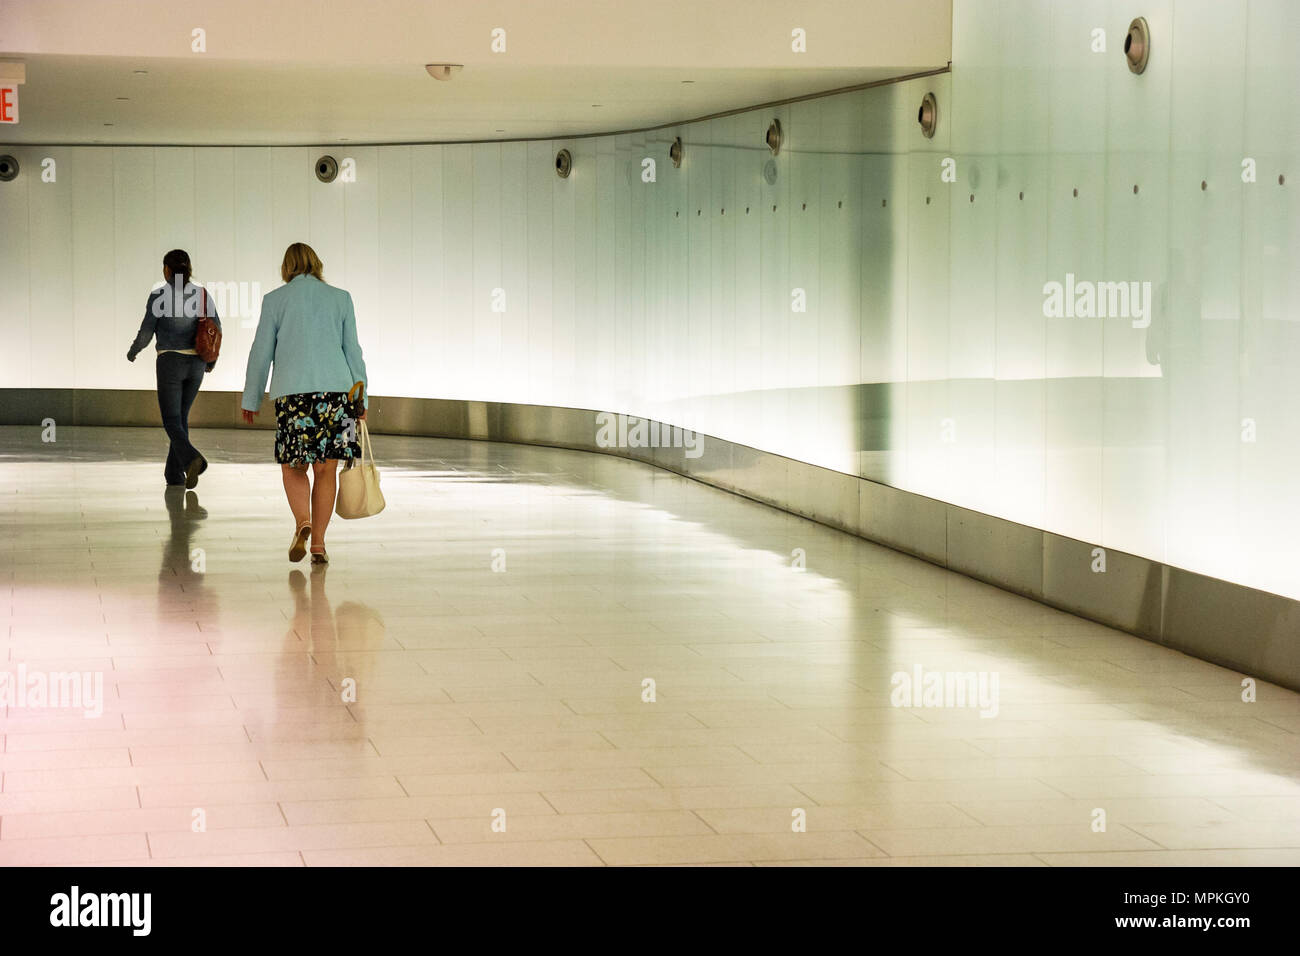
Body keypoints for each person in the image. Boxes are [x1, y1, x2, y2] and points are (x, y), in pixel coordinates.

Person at [241, 242, 369, 566]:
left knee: (293, 466)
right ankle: (319, 546)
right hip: (337, 395)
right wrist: (362, 398)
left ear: (286, 267)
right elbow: (353, 352)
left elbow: (261, 353)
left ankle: (303, 521)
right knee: (326, 470)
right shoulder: (341, 298)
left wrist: (252, 398)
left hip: (293, 395)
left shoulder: (275, 300)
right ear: (317, 263)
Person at [127, 249, 220, 488]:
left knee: (171, 419)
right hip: (196, 364)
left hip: (170, 362)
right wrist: (211, 360)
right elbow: (215, 328)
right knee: (181, 418)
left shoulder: (159, 296)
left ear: (167, 270)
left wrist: (134, 351)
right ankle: (174, 474)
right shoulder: (201, 295)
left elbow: (147, 331)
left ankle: (192, 458)